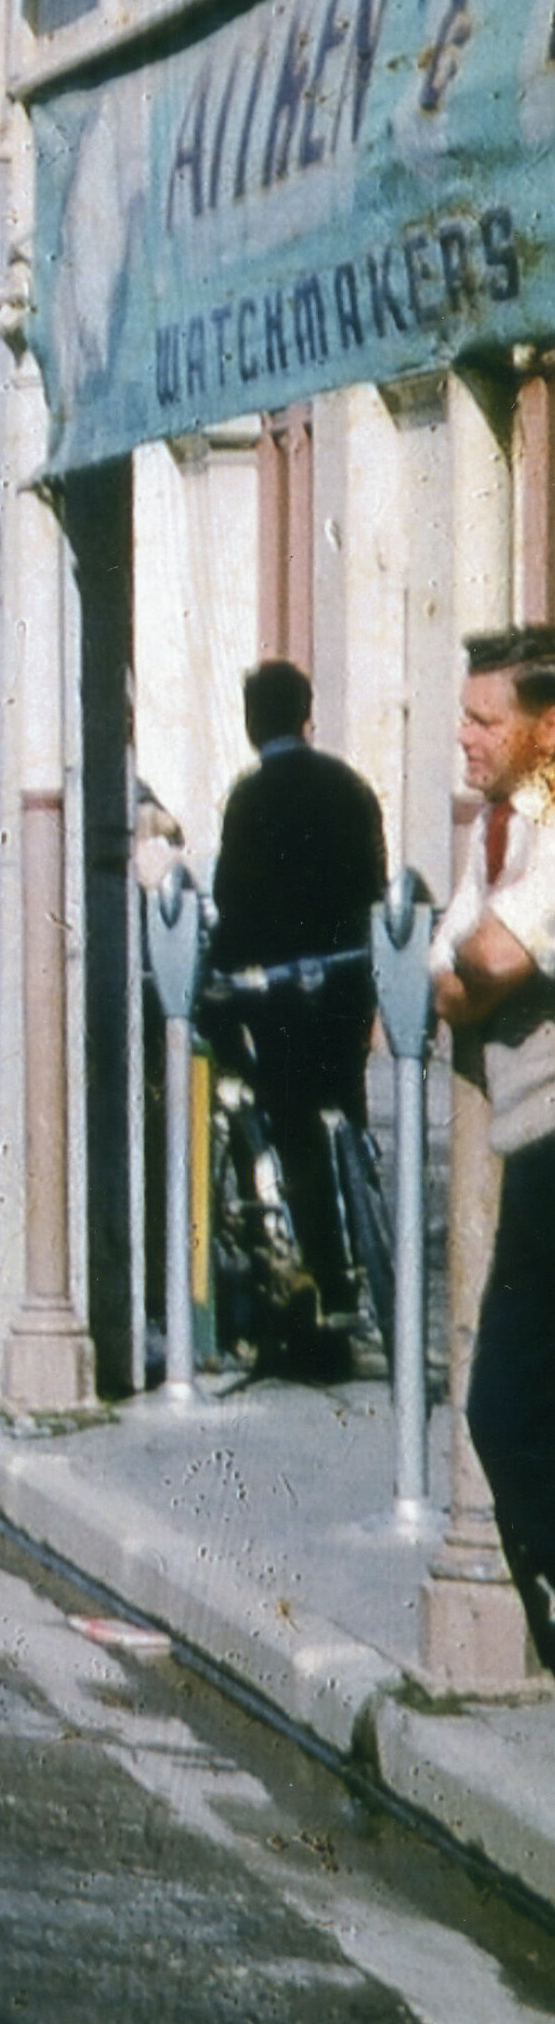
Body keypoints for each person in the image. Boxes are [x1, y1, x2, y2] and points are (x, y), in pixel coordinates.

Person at [208, 659, 389, 1364]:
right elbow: (373, 881)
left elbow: (234, 897)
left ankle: (326, 1280)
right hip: (347, 980)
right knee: (346, 1097)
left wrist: (225, 976)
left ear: (254, 722)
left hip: (280, 989)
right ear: (307, 715)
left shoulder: (250, 798)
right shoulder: (350, 787)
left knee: (293, 1125)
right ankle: (367, 1225)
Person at [433, 628, 555, 1669]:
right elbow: (448, 967)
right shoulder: (497, 829)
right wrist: (477, 964)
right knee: (507, 1399)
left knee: (505, 1397)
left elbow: (497, 954)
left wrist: (478, 963)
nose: (464, 737)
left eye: (484, 719)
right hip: (535, 1140)